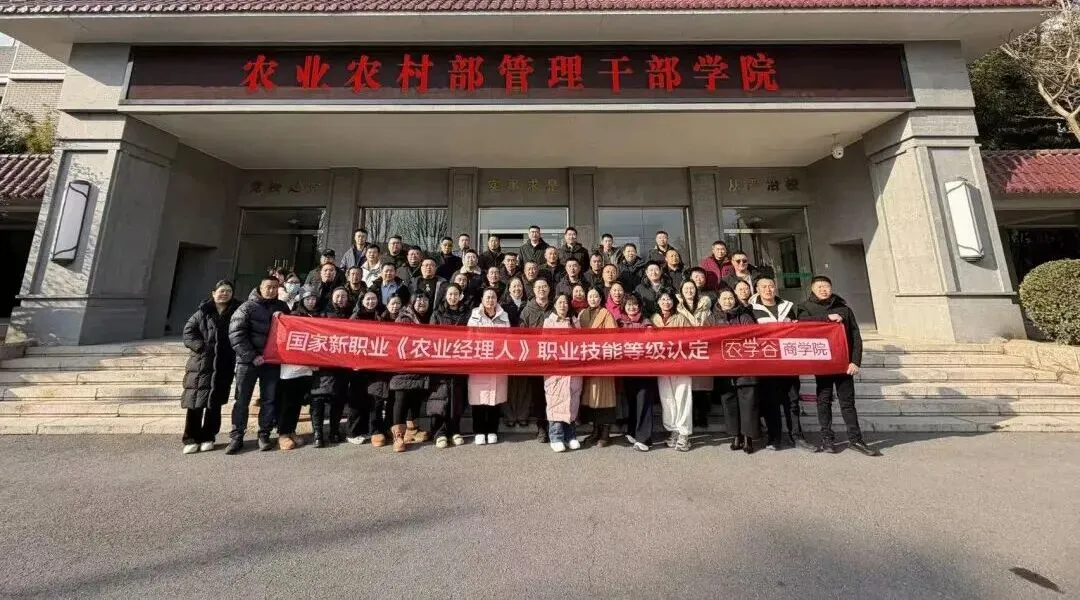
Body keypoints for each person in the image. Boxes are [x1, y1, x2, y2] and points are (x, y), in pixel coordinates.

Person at [797, 276, 881, 457]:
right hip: (823, 363)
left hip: (844, 363)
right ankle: (827, 439)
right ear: (812, 289)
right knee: (824, 401)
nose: (823, 289)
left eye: (826, 286)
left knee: (847, 403)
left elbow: (856, 336)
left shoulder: (844, 309)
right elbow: (802, 325)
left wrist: (855, 361)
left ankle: (856, 439)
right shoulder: (805, 308)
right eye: (819, 286)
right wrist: (826, 318)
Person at [226, 276, 290, 454]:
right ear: (260, 288)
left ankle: (264, 435)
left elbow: (291, 331)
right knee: (242, 400)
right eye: (268, 287)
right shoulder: (247, 307)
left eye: (275, 287)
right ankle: (237, 436)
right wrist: (252, 356)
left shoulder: (282, 307)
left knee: (269, 400)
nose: (272, 290)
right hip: (248, 362)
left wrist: (284, 318)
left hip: (271, 362)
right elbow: (236, 334)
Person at [180, 280, 241, 455]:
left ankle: (208, 436)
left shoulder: (237, 312)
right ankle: (191, 438)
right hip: (201, 364)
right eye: (222, 291)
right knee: (195, 403)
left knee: (215, 404)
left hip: (223, 363)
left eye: (228, 291)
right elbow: (188, 333)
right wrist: (201, 347)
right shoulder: (202, 312)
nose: (225, 294)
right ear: (213, 293)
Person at [751, 277, 811, 450]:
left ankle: (797, 436)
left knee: (792, 400)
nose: (768, 289)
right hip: (767, 361)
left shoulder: (788, 306)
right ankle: (774, 437)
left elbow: (798, 328)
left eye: (771, 286)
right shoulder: (752, 310)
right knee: (771, 402)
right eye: (764, 287)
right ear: (757, 289)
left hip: (788, 360)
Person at [708, 288, 760, 454]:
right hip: (724, 368)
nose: (728, 301)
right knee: (729, 403)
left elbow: (753, 337)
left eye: (730, 298)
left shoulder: (744, 316)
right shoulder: (712, 319)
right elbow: (707, 341)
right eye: (724, 298)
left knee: (748, 403)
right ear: (718, 300)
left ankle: (748, 437)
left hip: (745, 366)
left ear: (735, 299)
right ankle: (735, 435)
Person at [388, 293, 433, 452]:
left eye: (425, 300)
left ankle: (412, 430)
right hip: (404, 365)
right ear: (412, 302)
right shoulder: (404, 318)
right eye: (418, 300)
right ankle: (398, 436)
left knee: (415, 398)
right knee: (401, 400)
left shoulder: (429, 317)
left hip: (421, 366)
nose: (422, 303)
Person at [650, 289, 693, 452]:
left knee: (682, 397)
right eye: (662, 299)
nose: (666, 302)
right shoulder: (654, 319)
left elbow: (692, 339)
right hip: (661, 365)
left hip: (681, 364)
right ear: (658, 302)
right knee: (667, 398)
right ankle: (673, 430)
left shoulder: (681, 318)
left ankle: (684, 434)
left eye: (668, 299)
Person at [468, 287, 511, 445]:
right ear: (482, 299)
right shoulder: (475, 315)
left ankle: (492, 430)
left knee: (495, 398)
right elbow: (469, 338)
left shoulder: (504, 315)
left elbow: (508, 338)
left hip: (498, 362)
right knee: (478, 399)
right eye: (487, 297)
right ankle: (479, 431)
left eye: (493, 297)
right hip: (479, 363)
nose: (490, 300)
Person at [276, 288, 318, 451]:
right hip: (291, 368)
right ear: (302, 300)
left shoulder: (317, 317)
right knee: (287, 402)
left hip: (307, 369)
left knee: (297, 402)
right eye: (308, 299)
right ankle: (283, 433)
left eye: (313, 299)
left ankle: (291, 430)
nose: (311, 302)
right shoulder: (293, 316)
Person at [429, 284, 470, 448]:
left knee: (457, 397)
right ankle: (439, 432)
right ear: (445, 295)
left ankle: (455, 430)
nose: (453, 297)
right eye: (450, 294)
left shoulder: (467, 313)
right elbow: (431, 336)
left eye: (456, 294)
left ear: (460, 296)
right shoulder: (437, 313)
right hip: (442, 361)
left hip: (461, 360)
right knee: (440, 396)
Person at [543, 293, 583, 452]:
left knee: (572, 403)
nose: (562, 305)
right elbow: (545, 345)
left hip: (573, 369)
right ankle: (556, 437)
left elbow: (582, 344)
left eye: (565, 302)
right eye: (559, 302)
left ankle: (570, 436)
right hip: (556, 370)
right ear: (554, 305)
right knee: (556, 402)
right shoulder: (549, 322)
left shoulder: (575, 322)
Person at [617, 295, 657, 452]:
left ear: (639, 307)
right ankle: (632, 431)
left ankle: (644, 439)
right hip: (627, 369)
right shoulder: (619, 323)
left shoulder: (647, 323)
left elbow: (651, 344)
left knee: (643, 402)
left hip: (644, 369)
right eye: (628, 305)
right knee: (632, 401)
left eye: (635, 305)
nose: (632, 307)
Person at [578, 288, 617, 448]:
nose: (593, 299)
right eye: (590, 296)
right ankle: (595, 430)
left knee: (605, 397)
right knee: (591, 397)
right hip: (587, 361)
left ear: (601, 298)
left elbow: (613, 337)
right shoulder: (582, 315)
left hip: (603, 361)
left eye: (596, 296)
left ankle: (605, 433)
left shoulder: (606, 314)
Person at [518, 278, 554, 442]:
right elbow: (521, 335)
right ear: (533, 290)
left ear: (549, 289)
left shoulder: (555, 308)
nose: (541, 289)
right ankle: (542, 428)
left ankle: (554, 426)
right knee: (538, 395)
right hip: (535, 360)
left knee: (553, 394)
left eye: (544, 286)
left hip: (553, 359)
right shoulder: (527, 310)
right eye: (538, 287)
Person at [367, 295, 404, 447]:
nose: (395, 306)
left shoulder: (406, 321)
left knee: (393, 399)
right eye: (392, 303)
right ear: (387, 305)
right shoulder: (379, 319)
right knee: (377, 397)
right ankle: (376, 430)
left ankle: (389, 427)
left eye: (398, 303)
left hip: (398, 365)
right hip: (379, 364)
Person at [677, 279, 714, 429]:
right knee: (687, 385)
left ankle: (702, 415)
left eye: (691, 288)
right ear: (681, 291)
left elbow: (712, 325)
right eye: (686, 288)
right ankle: (690, 416)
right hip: (684, 349)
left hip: (701, 347)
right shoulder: (678, 307)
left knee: (702, 385)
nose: (689, 291)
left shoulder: (705, 307)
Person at [346, 290, 381, 444]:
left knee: (369, 399)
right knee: (356, 399)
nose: (371, 302)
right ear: (362, 301)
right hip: (358, 363)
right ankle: (352, 432)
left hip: (374, 363)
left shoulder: (379, 316)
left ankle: (365, 430)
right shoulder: (356, 316)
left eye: (373, 299)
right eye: (368, 299)